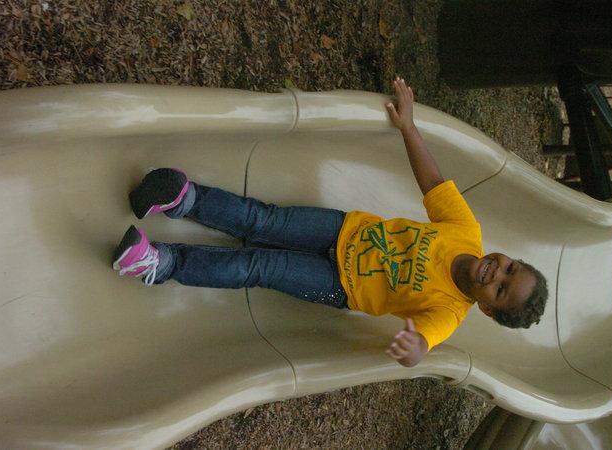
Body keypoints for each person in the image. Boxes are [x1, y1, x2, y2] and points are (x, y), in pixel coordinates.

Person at [112, 77, 548, 367]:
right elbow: (433, 183)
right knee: (264, 219)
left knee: (260, 266)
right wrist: (409, 129)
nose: (498, 273)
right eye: (511, 267)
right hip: (345, 230)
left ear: (486, 307)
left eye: (501, 289)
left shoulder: (449, 312)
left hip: (340, 283)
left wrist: (413, 349)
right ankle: (183, 199)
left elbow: (423, 345)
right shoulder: (465, 232)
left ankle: (161, 264)